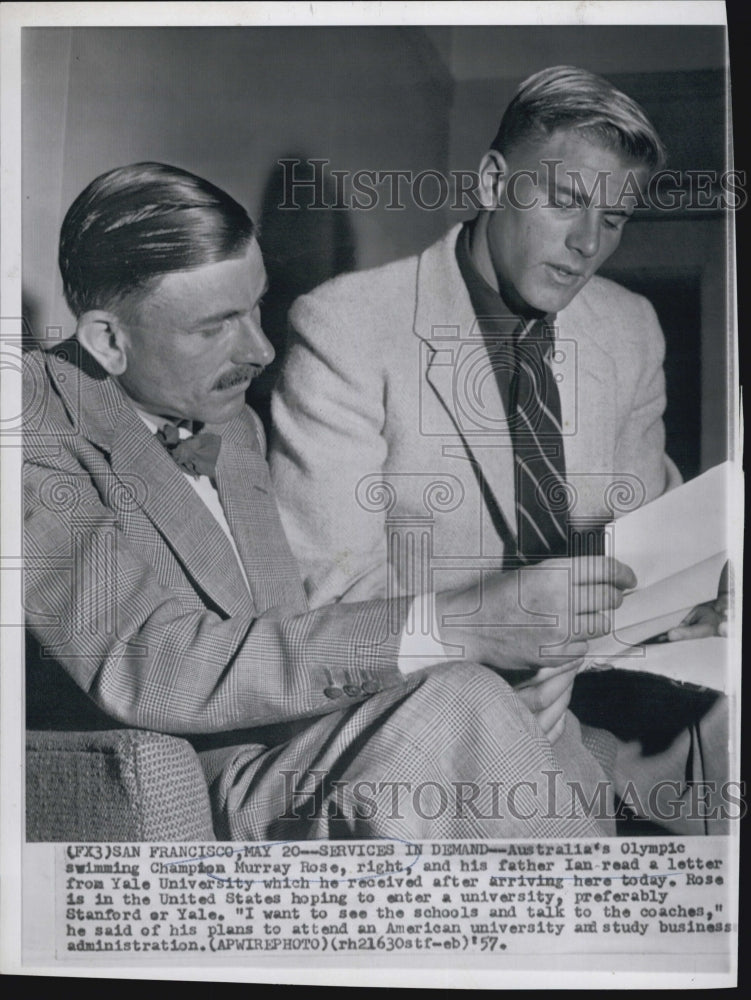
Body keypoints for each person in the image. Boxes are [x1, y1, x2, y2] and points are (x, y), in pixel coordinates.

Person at [25, 161, 643, 842]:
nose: (260, 349)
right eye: (215, 327)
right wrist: (456, 626)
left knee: (533, 723)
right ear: (108, 340)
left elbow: (290, 626)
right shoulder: (30, 435)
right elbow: (148, 661)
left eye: (255, 306)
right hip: (203, 780)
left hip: (298, 741)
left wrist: (495, 647)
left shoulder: (233, 423)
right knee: (460, 705)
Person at [269, 66, 730, 832]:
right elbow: (331, 594)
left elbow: (640, 539)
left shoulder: (628, 327)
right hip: (436, 701)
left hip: (605, 695)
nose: (588, 245)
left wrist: (691, 599)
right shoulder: (346, 326)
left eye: (614, 220)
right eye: (565, 202)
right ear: (491, 182)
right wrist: (497, 654)